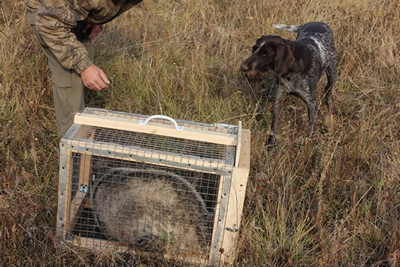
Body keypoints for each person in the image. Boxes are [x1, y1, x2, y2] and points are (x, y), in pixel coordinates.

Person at [24, 0, 143, 137]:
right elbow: (49, 23)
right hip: (48, 17)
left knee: (84, 62)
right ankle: (74, 150)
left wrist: (96, 19)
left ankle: (84, 137)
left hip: (72, 13)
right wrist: (84, 67)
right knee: (71, 79)